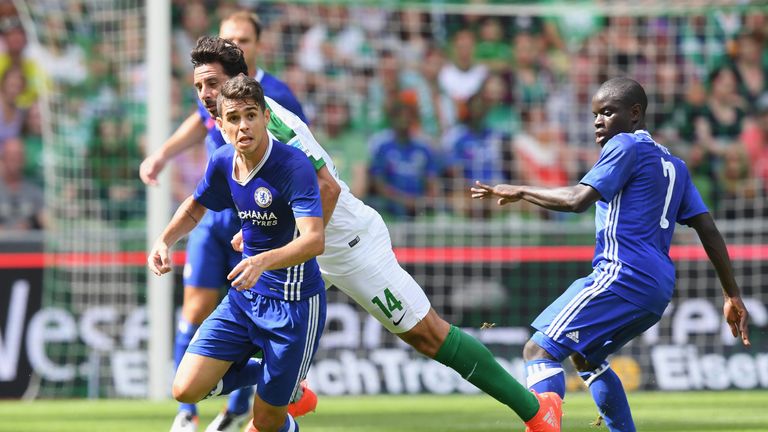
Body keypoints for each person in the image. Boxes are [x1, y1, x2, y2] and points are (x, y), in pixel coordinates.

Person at [194, 39, 561, 432]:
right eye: (199, 87)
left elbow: (327, 188)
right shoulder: (224, 125)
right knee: (245, 336)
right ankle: (290, 396)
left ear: (241, 81)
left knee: (427, 335)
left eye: (213, 84)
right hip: (295, 252)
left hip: (344, 244)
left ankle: (538, 412)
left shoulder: (273, 119)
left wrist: (294, 238)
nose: (205, 95)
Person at [471, 77, 752, 432]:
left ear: (635, 114)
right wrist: (731, 293)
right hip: (657, 289)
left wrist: (521, 190)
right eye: (594, 114)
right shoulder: (675, 166)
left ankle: (543, 428)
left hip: (622, 274)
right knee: (587, 358)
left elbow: (577, 201)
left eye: (607, 112)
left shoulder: (624, 146)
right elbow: (708, 229)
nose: (597, 122)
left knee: (538, 351)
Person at [139, 12, 308, 431]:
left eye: (242, 39)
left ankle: (263, 391)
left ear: (253, 49)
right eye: (228, 37)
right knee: (193, 311)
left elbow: (308, 171)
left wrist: (270, 227)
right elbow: (197, 154)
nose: (205, 93)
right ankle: (189, 412)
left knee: (268, 411)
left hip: (265, 238)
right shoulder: (215, 115)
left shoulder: (275, 101)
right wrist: (161, 157)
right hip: (218, 221)